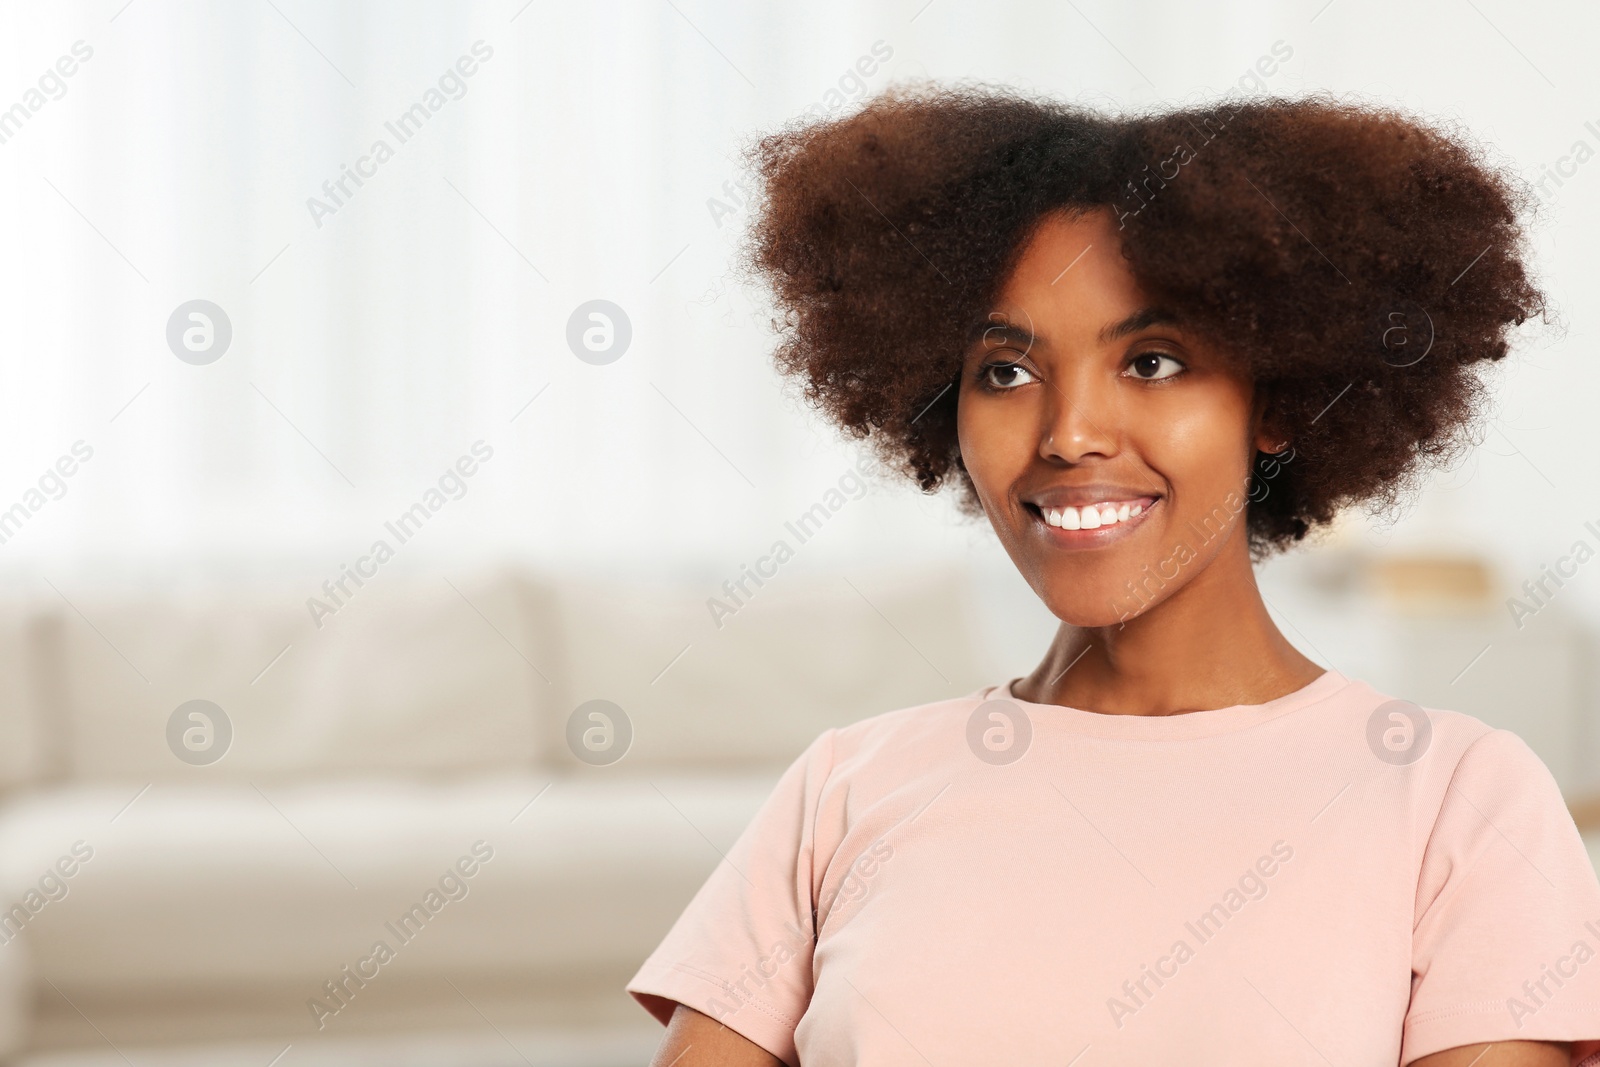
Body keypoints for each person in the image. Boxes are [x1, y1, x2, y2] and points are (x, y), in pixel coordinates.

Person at [628, 84, 1600, 1066]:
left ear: (1275, 403)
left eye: (1153, 359)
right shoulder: (843, 788)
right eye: (1006, 371)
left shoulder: (1455, 798)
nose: (1069, 434)